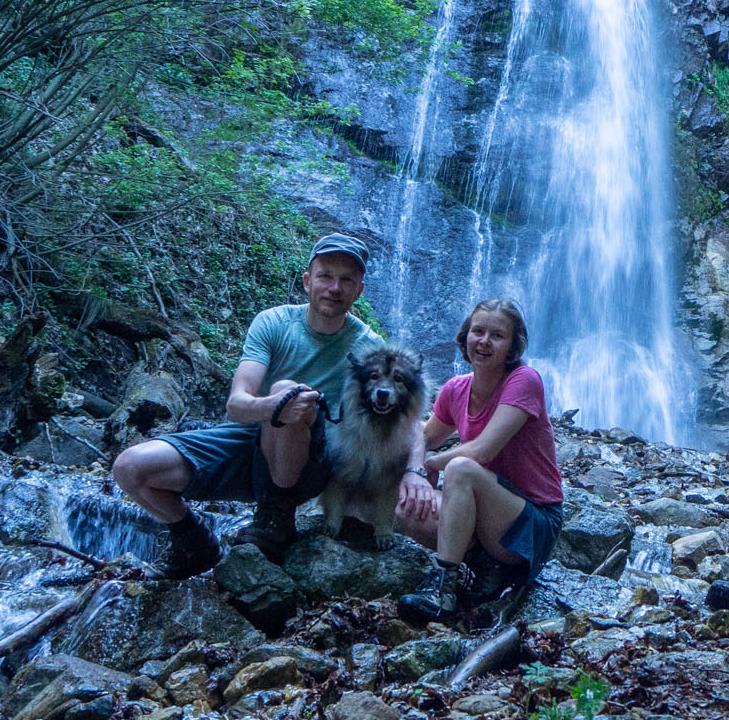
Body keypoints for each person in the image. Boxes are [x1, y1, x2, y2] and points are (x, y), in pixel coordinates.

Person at [111, 233, 437, 575]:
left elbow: (408, 417)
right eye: (326, 276)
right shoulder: (274, 323)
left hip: (309, 464)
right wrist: (277, 406)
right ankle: (193, 541)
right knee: (130, 468)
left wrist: (414, 472)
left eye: (347, 280)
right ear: (307, 280)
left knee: (290, 392)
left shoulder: (368, 347)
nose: (334, 288)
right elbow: (237, 405)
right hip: (246, 441)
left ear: (359, 291)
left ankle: (276, 518)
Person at [398, 298, 564, 623]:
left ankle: (443, 593)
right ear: (465, 337)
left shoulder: (524, 380)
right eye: (478, 331)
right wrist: (414, 471)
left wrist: (430, 466)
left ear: (512, 347)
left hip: (533, 522)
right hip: (485, 515)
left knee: (460, 468)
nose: (484, 342)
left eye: (497, 335)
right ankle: (481, 567)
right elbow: (421, 433)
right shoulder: (456, 388)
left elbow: (482, 451)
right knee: (403, 501)